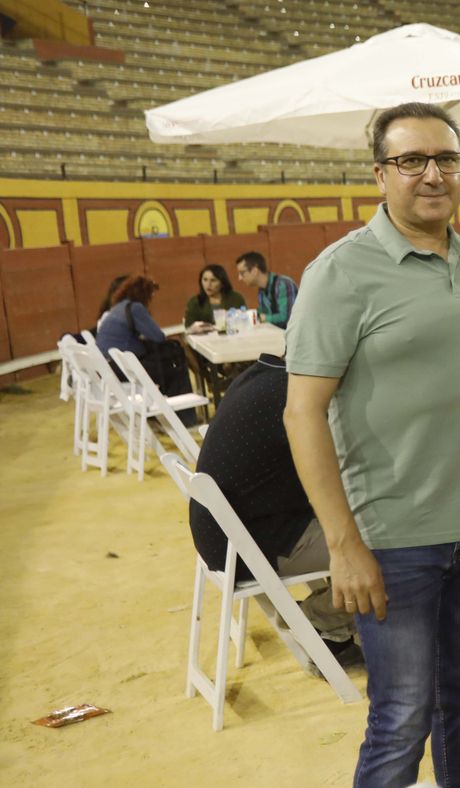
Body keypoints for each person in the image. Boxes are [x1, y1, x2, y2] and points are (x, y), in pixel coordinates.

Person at [282, 102, 460, 788]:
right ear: (379, 173)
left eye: (446, 159)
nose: (432, 174)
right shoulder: (340, 272)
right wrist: (344, 543)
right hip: (392, 541)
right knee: (399, 721)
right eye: (412, 160)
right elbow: (302, 412)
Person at [188, 353, 359, 664]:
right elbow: (347, 472)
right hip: (250, 548)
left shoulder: (262, 375)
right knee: (393, 544)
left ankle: (338, 625)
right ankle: (319, 619)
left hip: (227, 537)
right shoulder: (296, 399)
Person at [95, 274, 196, 422]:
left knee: (166, 366)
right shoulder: (134, 307)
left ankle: (166, 415)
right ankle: (185, 419)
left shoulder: (117, 308)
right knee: (176, 366)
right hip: (123, 368)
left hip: (109, 367)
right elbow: (158, 336)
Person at [234, 252, 297, 328]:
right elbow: (261, 313)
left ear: (254, 271)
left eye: (242, 273)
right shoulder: (261, 290)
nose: (240, 278)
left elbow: (287, 318)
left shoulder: (283, 284)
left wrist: (262, 318)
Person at [183, 264, 247, 331]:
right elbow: (188, 325)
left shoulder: (235, 298)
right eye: (205, 280)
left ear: (222, 283)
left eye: (213, 280)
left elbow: (243, 319)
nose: (208, 284)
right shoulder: (195, 301)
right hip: (205, 336)